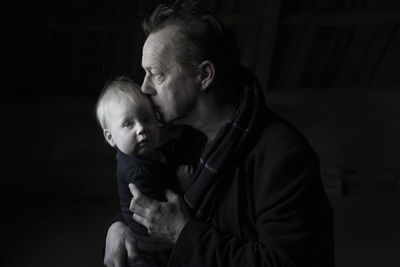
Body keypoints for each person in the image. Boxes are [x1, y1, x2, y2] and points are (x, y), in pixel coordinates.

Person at [103, 0, 334, 266]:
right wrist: (120, 225)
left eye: (156, 74)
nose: (144, 88)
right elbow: (155, 194)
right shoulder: (180, 139)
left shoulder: (284, 156)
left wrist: (182, 232)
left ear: (204, 75)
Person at [96, 76, 197, 266]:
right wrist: (181, 185)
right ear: (110, 138)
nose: (141, 129)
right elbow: (157, 207)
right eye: (128, 124)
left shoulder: (148, 150)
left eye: (146, 119)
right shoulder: (138, 168)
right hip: (151, 242)